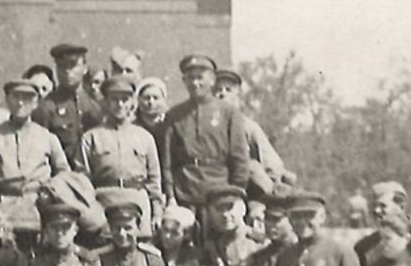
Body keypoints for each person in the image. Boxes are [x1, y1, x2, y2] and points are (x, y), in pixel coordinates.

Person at [0, 78, 69, 246]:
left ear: (36, 102)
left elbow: (64, 175)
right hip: (1, 211)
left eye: (27, 98)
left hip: (37, 210)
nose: (21, 103)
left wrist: (51, 199)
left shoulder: (47, 137)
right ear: (7, 100)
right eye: (16, 97)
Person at [159, 54, 263, 210]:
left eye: (200, 77)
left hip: (220, 193)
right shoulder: (174, 115)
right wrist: (171, 196)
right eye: (190, 78)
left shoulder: (229, 113)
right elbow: (167, 162)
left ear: (212, 80)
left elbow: (240, 158)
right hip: (185, 193)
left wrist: (236, 193)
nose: (195, 83)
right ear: (184, 81)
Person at [79, 75, 166, 220]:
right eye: (114, 99)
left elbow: (154, 181)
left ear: (132, 102)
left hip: (137, 201)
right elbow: (83, 179)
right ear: (105, 102)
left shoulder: (145, 137)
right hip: (103, 203)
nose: (120, 104)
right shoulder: (91, 137)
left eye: (125, 99)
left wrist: (157, 213)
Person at [213, 69, 293, 191]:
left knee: (253, 167)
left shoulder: (247, 125)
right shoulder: (206, 125)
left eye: (228, 90)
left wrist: (275, 177)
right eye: (218, 90)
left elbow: (271, 159)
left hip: (245, 185)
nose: (222, 94)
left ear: (237, 95)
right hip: (216, 181)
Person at [34, 41, 102, 159]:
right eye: (62, 66)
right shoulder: (46, 107)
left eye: (72, 65)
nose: (67, 71)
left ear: (85, 68)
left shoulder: (95, 106)